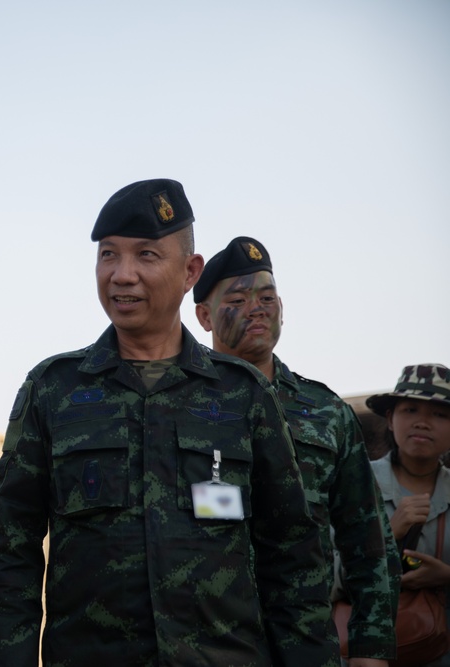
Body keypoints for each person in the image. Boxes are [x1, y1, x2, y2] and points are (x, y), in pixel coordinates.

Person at [0, 178, 338, 666]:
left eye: (146, 256)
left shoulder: (242, 393)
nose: (122, 275)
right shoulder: (53, 389)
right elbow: (9, 555)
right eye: (109, 255)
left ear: (191, 271)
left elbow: (292, 556)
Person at [193, 236, 401, 666]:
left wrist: (371, 650)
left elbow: (369, 541)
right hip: (202, 645)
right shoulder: (177, 407)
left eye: (267, 296)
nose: (258, 307)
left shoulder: (325, 412)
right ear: (203, 316)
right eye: (238, 297)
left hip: (303, 644)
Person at [360, 364, 450, 666]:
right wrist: (387, 534)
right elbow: (320, 575)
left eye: (440, 414)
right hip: (368, 654)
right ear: (389, 418)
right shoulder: (355, 485)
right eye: (410, 410)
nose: (423, 423)